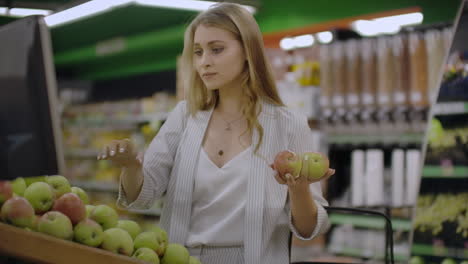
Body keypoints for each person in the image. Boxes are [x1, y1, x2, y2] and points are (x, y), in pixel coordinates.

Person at [97, 3, 334, 264]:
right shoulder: (184, 117)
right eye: (198, 52)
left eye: (216, 49)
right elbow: (141, 198)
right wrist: (131, 167)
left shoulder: (288, 123)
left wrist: (299, 191)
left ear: (247, 50)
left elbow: (310, 228)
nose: (204, 62)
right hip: (182, 258)